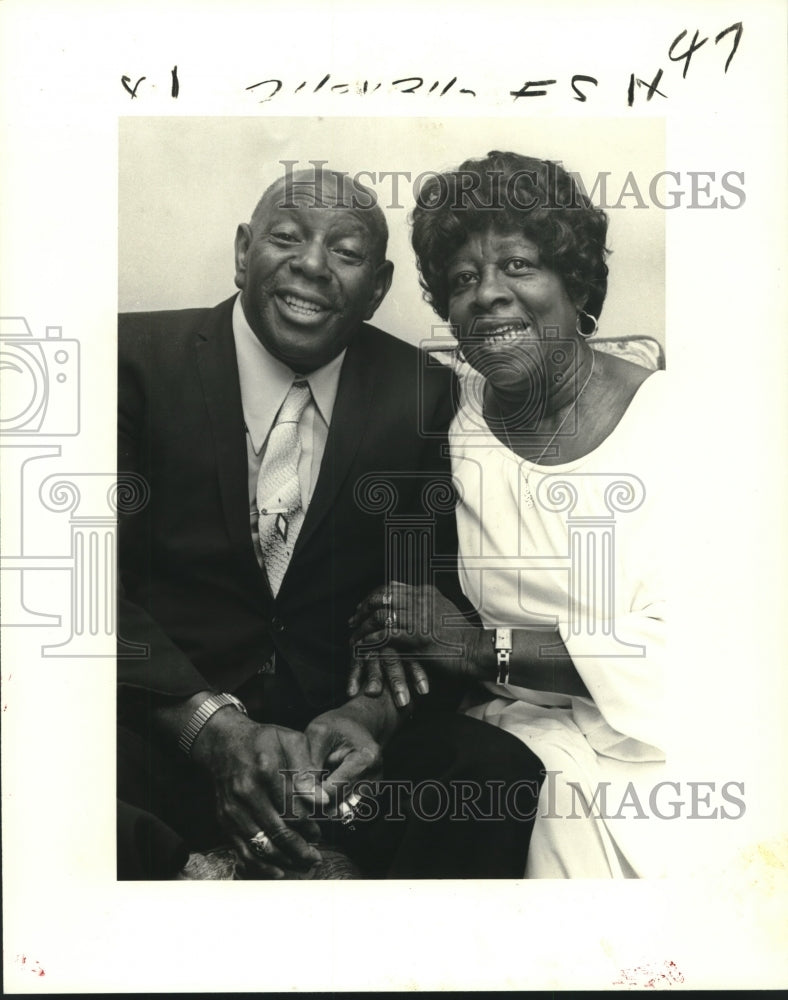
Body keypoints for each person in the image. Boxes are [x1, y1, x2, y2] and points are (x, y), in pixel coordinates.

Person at [116, 163, 543, 880]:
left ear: (377, 289)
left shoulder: (424, 393)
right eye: (286, 237)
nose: (312, 265)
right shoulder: (129, 362)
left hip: (337, 758)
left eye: (345, 253)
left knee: (489, 771)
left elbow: (430, 598)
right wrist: (212, 728)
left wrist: (367, 717)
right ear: (242, 250)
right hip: (167, 730)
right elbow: (82, 586)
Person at [349, 151, 667, 878]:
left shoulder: (680, 424)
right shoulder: (447, 425)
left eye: (519, 265)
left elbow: (701, 657)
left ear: (576, 283)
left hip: (672, 755)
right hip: (516, 750)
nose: (487, 295)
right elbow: (406, 590)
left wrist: (479, 647)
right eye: (462, 279)